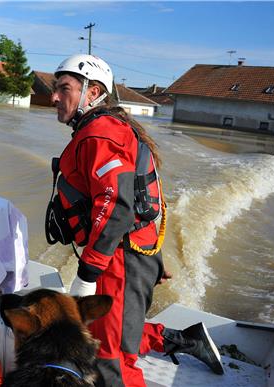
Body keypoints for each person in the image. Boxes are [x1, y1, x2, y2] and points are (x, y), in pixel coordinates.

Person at [46, 54, 224, 386]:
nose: (54, 96)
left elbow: (116, 204)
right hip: (126, 257)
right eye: (55, 88)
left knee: (110, 361)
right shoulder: (103, 129)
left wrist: (87, 272)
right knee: (104, 331)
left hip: (118, 261)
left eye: (64, 88)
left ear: (93, 91)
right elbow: (135, 201)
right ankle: (181, 340)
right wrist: (151, 260)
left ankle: (176, 341)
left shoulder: (101, 133)